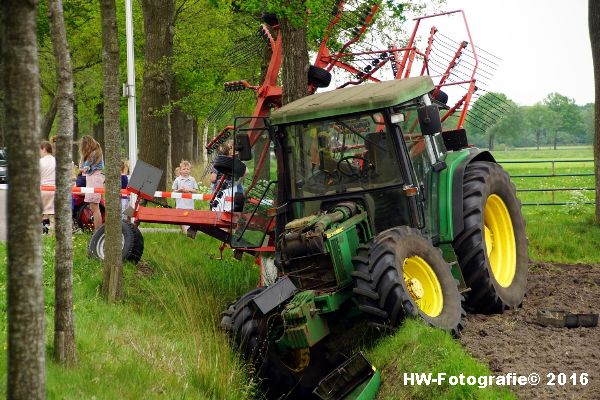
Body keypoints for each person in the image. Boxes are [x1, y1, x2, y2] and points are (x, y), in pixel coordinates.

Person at [79, 135, 104, 231]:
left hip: (94, 180)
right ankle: (97, 230)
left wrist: (82, 159)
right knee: (94, 207)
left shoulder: (92, 154)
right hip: (94, 179)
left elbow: (83, 168)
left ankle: (98, 231)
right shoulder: (96, 152)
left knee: (95, 207)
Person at [172, 160, 198, 233]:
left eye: (187, 169)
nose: (186, 171)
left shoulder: (192, 179)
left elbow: (196, 190)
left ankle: (189, 232)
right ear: (180, 170)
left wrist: (189, 189)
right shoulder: (177, 180)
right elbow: (174, 191)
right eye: (184, 169)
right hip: (180, 204)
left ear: (190, 170)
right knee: (180, 219)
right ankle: (185, 231)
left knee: (189, 218)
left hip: (189, 205)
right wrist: (179, 190)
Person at [39, 141, 56, 234]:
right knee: (53, 214)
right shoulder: (57, 161)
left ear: (44, 149)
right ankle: (52, 236)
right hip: (55, 190)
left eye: (40, 150)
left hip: (43, 190)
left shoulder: (40, 162)